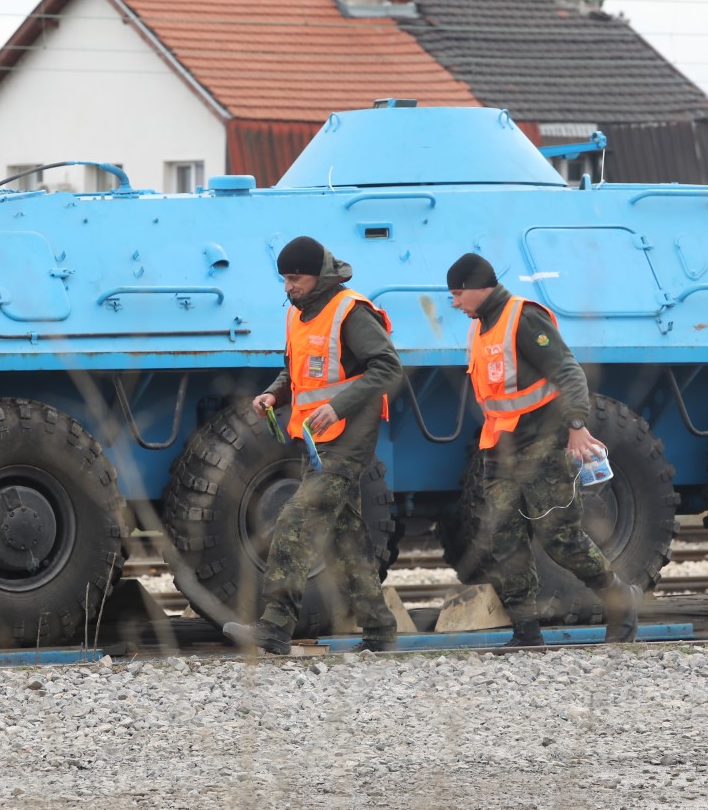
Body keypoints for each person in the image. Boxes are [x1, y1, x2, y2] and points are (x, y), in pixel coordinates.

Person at [446, 252, 640, 646]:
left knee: (559, 538)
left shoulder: (522, 318)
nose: (454, 303)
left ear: (479, 288)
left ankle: (620, 599)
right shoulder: (480, 326)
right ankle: (526, 630)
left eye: (457, 294)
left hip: (543, 444)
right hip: (500, 449)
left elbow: (567, 371)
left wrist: (576, 425)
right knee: (503, 537)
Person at [222, 236, 402, 655]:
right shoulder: (298, 315)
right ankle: (380, 632)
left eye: (295, 278)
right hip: (317, 442)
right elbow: (297, 373)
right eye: (284, 279)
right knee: (346, 540)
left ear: (317, 276)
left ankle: (275, 627)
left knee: (294, 521)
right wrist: (274, 394)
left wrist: (339, 408)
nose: (288, 287)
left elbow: (389, 368)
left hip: (348, 441)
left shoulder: (350, 310)